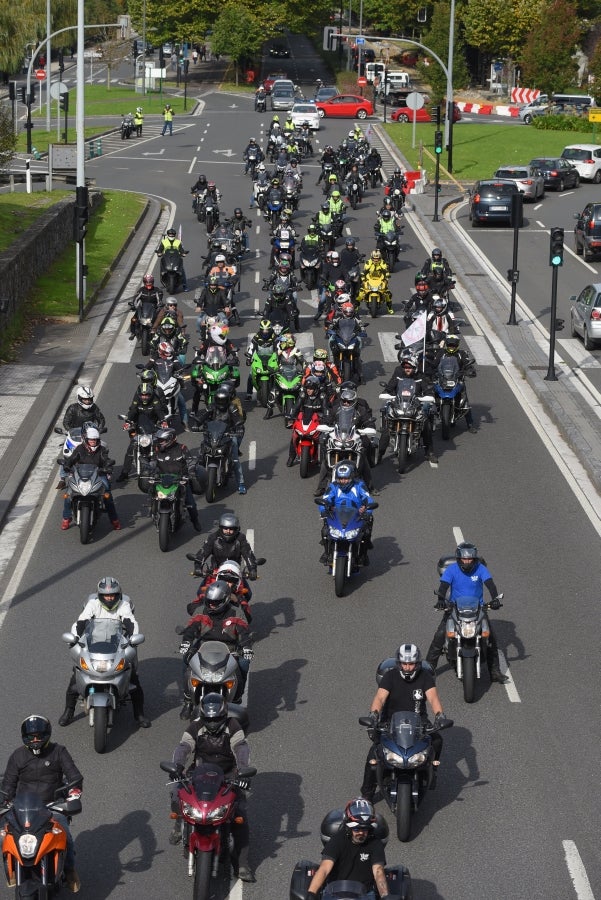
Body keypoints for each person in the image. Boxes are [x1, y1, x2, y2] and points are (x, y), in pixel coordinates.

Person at [169, 693, 255, 882]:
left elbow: (241, 748)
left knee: (240, 816)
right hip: (199, 773)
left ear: (223, 715)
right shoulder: (195, 726)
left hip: (228, 776)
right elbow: (184, 747)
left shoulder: (233, 726)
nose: (212, 722)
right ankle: (179, 825)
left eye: (216, 719)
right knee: (177, 794)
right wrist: (177, 766)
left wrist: (243, 771)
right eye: (209, 719)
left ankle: (242, 865)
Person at [1, 716, 83, 893]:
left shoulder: (59, 752)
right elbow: (7, 785)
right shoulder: (17, 756)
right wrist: (4, 800)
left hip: (52, 806)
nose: (36, 740)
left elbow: (74, 777)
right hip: (23, 808)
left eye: (39, 736)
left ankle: (70, 870)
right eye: (32, 737)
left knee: (65, 835)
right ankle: (12, 869)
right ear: (25, 737)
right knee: (4, 834)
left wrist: (73, 795)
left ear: (47, 735)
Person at [58, 576, 151, 728]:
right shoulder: (93, 605)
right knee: (75, 678)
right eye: (106, 595)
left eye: (112, 595)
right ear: (100, 595)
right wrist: (74, 638)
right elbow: (80, 622)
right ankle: (68, 711)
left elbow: (131, 622)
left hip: (119, 646)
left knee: (133, 680)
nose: (109, 598)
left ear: (117, 595)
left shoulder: (123, 605)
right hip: (94, 646)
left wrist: (133, 639)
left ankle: (139, 714)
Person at [361, 643, 447, 801]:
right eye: (404, 664)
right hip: (390, 722)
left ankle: (432, 771)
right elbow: (380, 698)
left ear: (417, 664)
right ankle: (367, 794)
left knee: (437, 741)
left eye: (411, 663)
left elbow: (433, 698)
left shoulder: (425, 677)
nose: (408, 667)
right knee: (374, 754)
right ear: (399, 664)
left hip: (418, 721)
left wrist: (440, 715)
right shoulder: (390, 676)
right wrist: (373, 715)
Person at [425, 543, 508, 683]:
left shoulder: (481, 569)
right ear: (459, 559)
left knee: (491, 640)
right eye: (464, 559)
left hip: (478, 609)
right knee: (439, 637)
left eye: (470, 559)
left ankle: (495, 671)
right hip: (454, 608)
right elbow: (443, 587)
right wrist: (440, 600)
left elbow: (490, 585)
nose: (467, 561)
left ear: (474, 559)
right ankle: (428, 669)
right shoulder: (451, 570)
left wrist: (494, 599)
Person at [178, 583, 253, 712]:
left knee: (244, 663)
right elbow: (191, 628)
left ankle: (236, 698)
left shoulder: (237, 613)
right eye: (210, 601)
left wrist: (246, 647)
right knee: (186, 661)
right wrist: (186, 642)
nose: (211, 604)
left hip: (230, 650)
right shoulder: (200, 611)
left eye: (215, 602)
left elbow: (244, 632)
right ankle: (188, 699)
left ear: (225, 600)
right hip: (203, 648)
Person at [305, 798, 389, 900]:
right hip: (334, 893)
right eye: (357, 829)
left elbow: (378, 871)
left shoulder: (375, 844)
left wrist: (385, 896)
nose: (361, 833)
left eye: (365, 829)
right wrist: (311, 894)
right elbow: (324, 869)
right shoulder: (337, 840)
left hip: (365, 894)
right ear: (349, 827)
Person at [315, 384, 377, 494]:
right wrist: (324, 424)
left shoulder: (361, 410)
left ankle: (370, 487)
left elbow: (368, 421)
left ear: (354, 401)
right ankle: (321, 487)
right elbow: (327, 419)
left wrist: (369, 427)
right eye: (344, 401)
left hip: (355, 436)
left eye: (349, 401)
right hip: (339, 436)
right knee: (326, 457)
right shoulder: (336, 409)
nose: (346, 403)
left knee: (363, 457)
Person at [61, 423, 121, 531]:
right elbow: (71, 459)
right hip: (80, 475)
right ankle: (66, 518)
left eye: (95, 440)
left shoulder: (101, 450)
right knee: (68, 495)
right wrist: (66, 465)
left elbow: (106, 460)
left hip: (98, 475)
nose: (93, 441)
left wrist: (108, 467)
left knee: (107, 494)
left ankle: (114, 520)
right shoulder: (80, 449)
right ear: (86, 439)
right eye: (91, 440)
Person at [381, 353, 436, 464]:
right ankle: (379, 454)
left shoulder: (420, 376)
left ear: (414, 367)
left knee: (426, 425)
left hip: (415, 405)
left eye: (409, 367)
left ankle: (429, 452)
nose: (407, 369)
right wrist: (386, 392)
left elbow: (427, 389)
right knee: (387, 424)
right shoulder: (398, 373)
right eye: (405, 367)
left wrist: (429, 395)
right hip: (399, 404)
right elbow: (391, 386)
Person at [318, 461, 374, 566]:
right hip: (336, 516)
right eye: (340, 478)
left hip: (356, 516)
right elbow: (325, 499)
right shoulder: (333, 486)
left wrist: (367, 510)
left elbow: (368, 499)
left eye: (346, 478)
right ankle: (327, 553)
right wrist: (324, 510)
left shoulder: (360, 485)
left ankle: (363, 554)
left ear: (352, 477)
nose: (343, 481)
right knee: (325, 531)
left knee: (366, 532)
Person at [194, 386, 247, 493]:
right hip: (213, 434)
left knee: (235, 459)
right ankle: (198, 479)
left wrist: (239, 429)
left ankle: (241, 484)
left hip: (228, 435)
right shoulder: (212, 406)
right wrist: (197, 423)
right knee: (201, 451)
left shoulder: (232, 408)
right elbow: (204, 415)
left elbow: (238, 419)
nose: (221, 403)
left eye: (223, 400)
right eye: (219, 400)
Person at [149, 427, 201, 530]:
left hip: (180, 480)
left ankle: (195, 520)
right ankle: (153, 510)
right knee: (152, 493)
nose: (160, 443)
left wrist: (190, 472)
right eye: (159, 440)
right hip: (162, 480)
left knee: (190, 503)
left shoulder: (182, 448)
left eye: (162, 441)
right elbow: (153, 462)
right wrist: (148, 469)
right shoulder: (157, 450)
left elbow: (190, 461)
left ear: (170, 439)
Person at [56, 386, 106, 489]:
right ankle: (62, 478)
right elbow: (66, 422)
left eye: (89, 399)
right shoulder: (72, 408)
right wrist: (70, 432)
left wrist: (98, 430)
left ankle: (102, 473)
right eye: (85, 399)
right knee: (67, 454)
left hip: (90, 436)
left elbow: (101, 419)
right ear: (79, 398)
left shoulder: (94, 408)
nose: (87, 401)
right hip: (75, 436)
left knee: (101, 451)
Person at [117, 382, 168, 482]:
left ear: (151, 394)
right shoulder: (136, 399)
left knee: (161, 447)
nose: (144, 397)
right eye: (142, 395)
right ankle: (124, 473)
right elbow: (132, 410)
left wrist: (163, 421)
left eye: (147, 395)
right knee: (131, 448)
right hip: (138, 428)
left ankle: (164, 470)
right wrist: (128, 422)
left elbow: (159, 411)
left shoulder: (155, 400)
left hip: (153, 427)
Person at [432, 334, 478, 432]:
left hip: (457, 380)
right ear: (446, 345)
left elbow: (467, 364)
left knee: (465, 401)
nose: (451, 347)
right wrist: (429, 370)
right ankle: (429, 423)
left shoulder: (462, 354)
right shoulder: (441, 353)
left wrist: (470, 370)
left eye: (453, 345)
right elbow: (434, 364)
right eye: (449, 345)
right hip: (442, 379)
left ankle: (470, 424)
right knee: (430, 396)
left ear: (457, 345)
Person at [285, 375, 330, 466]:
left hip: (318, 421)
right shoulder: (303, 395)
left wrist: (326, 419)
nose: (309, 390)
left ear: (316, 388)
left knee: (324, 439)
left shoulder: (322, 396)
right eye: (307, 388)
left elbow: (326, 410)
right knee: (294, 435)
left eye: (311, 388)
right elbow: (296, 407)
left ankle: (323, 461)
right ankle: (291, 456)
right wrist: (291, 417)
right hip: (305, 418)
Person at [193, 513, 258, 575]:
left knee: (245, 587)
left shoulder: (241, 538)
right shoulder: (213, 537)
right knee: (204, 586)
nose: (228, 531)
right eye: (225, 528)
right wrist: (198, 566)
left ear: (236, 529)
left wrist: (252, 569)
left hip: (235, 572)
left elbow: (248, 554)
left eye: (231, 529)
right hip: (215, 572)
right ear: (221, 528)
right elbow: (204, 551)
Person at [128, 273, 164, 340]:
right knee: (133, 319)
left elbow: (159, 300)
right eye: (147, 282)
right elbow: (136, 298)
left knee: (161, 320)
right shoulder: (141, 290)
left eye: (150, 282)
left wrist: (159, 305)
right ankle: (133, 333)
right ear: (144, 282)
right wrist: (134, 305)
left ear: (152, 282)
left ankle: (161, 334)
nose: (148, 283)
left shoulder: (157, 290)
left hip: (154, 309)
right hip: (142, 309)